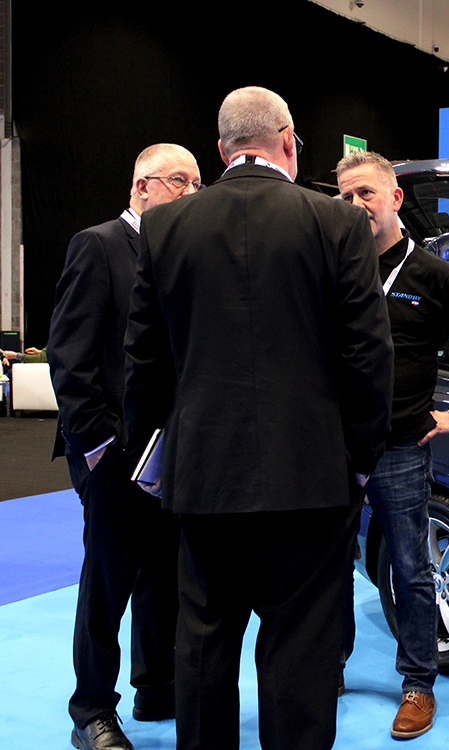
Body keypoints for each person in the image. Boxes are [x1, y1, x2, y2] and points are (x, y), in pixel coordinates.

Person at [123, 87, 393, 750]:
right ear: (290, 142)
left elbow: (144, 363)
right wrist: (358, 463)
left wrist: (158, 460)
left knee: (204, 642)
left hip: (203, 478)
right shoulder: (337, 225)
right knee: (301, 652)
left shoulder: (164, 227)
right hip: (312, 479)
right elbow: (368, 358)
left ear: (220, 150)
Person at [336, 151, 449, 740]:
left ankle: (417, 684)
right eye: (346, 196)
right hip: (332, 447)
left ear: (394, 199)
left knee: (410, 569)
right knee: (327, 564)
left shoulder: (431, 274)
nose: (356, 205)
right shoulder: (332, 266)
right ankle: (328, 667)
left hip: (401, 447)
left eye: (365, 194)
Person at [47, 143, 201, 750]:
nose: (192, 193)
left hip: (172, 452)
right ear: (142, 187)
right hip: (113, 455)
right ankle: (91, 710)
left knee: (164, 577)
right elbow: (71, 356)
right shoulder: (98, 244)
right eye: (179, 182)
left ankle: (156, 686)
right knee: (107, 585)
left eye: (196, 182)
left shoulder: (182, 253)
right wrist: (99, 451)